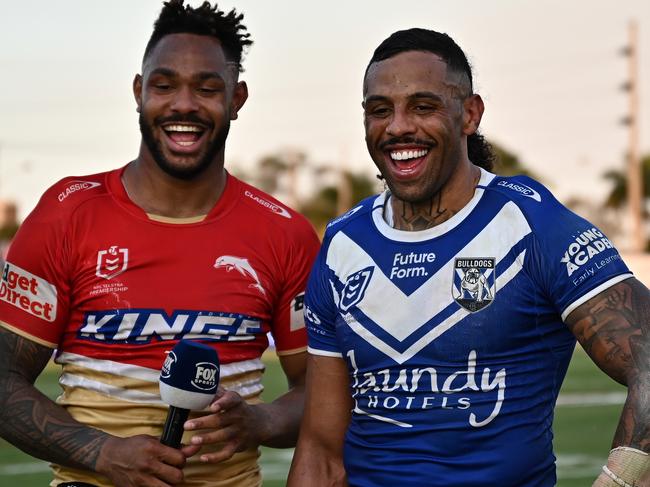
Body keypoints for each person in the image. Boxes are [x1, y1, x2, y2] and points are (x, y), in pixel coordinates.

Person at [287, 28, 650, 487]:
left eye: (423, 106)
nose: (398, 126)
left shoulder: (531, 225)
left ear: (470, 114)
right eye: (380, 110)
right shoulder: (342, 244)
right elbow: (321, 450)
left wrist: (621, 480)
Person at [0, 1, 320, 486]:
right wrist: (100, 451)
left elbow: (321, 391)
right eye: (164, 84)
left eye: (208, 88)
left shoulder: (285, 233)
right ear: (138, 91)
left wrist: (263, 421)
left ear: (237, 98)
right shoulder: (67, 213)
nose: (184, 105)